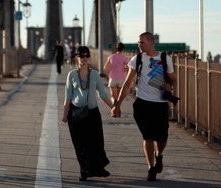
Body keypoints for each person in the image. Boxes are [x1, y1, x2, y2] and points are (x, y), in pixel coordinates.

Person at [111, 32, 177, 181]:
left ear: (151, 42)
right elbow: (127, 83)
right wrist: (117, 105)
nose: (139, 45)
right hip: (142, 103)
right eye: (138, 42)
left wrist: (170, 89)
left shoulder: (165, 58)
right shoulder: (137, 59)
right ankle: (151, 168)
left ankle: (158, 155)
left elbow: (173, 79)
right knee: (147, 137)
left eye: (142, 42)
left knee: (162, 138)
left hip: (160, 104)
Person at [62, 46, 114, 181]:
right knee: (80, 145)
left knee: (96, 143)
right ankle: (84, 171)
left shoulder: (95, 74)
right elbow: (68, 96)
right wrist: (64, 114)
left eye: (87, 55)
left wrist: (113, 107)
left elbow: (102, 94)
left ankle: (97, 169)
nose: (85, 58)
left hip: (92, 113)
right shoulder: (72, 75)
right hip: (76, 114)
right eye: (82, 55)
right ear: (77, 57)